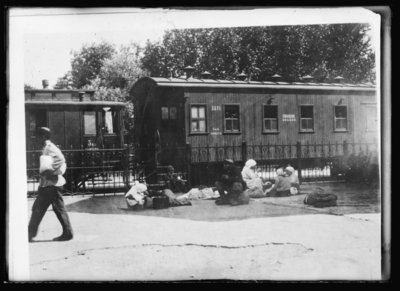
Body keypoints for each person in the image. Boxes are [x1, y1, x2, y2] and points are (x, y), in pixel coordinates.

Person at [28, 127, 73, 242]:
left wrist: (51, 171)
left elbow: (61, 159)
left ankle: (68, 233)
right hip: (47, 185)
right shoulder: (45, 148)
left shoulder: (50, 147)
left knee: (55, 209)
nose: (35, 139)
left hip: (52, 185)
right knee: (38, 208)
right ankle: (29, 234)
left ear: (43, 136)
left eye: (37, 136)